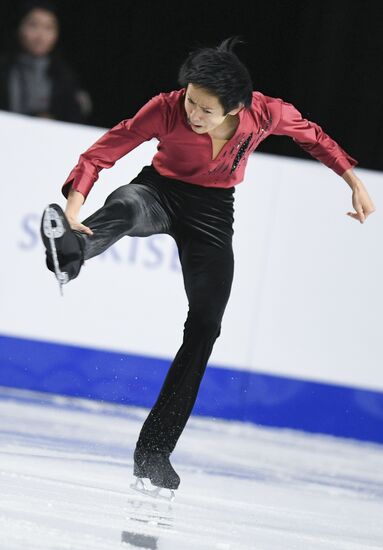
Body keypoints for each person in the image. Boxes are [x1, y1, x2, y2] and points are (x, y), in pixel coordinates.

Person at [40, 37, 375, 495]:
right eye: (191, 101)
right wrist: (75, 206)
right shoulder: (166, 107)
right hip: (158, 191)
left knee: (205, 326)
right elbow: (105, 151)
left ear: (236, 107)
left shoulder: (266, 114)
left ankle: (154, 450)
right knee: (124, 205)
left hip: (213, 213)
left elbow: (312, 136)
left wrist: (352, 180)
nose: (192, 114)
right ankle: (69, 253)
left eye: (205, 109)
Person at [0, 1, 91, 123]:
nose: (40, 36)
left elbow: (75, 118)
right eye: (33, 25)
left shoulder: (64, 77)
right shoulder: (4, 69)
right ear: (19, 27)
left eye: (49, 27)